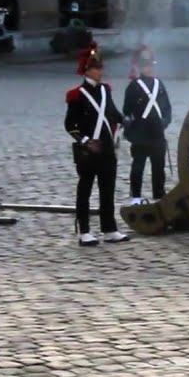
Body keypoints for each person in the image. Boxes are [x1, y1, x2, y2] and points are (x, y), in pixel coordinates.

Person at [64, 44, 129, 247]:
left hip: (107, 148)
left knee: (107, 189)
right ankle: (84, 231)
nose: (100, 71)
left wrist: (128, 120)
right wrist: (85, 141)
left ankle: (109, 229)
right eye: (96, 68)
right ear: (86, 70)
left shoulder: (105, 91)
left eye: (100, 67)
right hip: (88, 150)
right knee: (85, 189)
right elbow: (70, 125)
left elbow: (112, 113)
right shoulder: (77, 95)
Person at [122, 45, 173, 206]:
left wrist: (164, 122)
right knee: (138, 166)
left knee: (159, 167)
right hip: (141, 133)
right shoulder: (133, 87)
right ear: (140, 67)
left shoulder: (159, 85)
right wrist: (132, 126)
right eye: (146, 66)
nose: (149, 68)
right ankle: (135, 196)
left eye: (151, 65)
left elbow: (166, 108)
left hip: (157, 132)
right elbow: (127, 110)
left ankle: (159, 195)